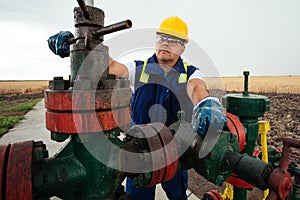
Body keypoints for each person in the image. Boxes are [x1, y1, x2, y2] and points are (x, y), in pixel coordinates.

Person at [48, 16, 226, 200]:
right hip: (139, 151)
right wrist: (79, 47)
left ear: (183, 47)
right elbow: (107, 67)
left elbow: (197, 87)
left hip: (176, 151)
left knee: (177, 195)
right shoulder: (138, 69)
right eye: (162, 37)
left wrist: (206, 102)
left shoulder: (190, 72)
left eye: (174, 40)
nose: (166, 43)